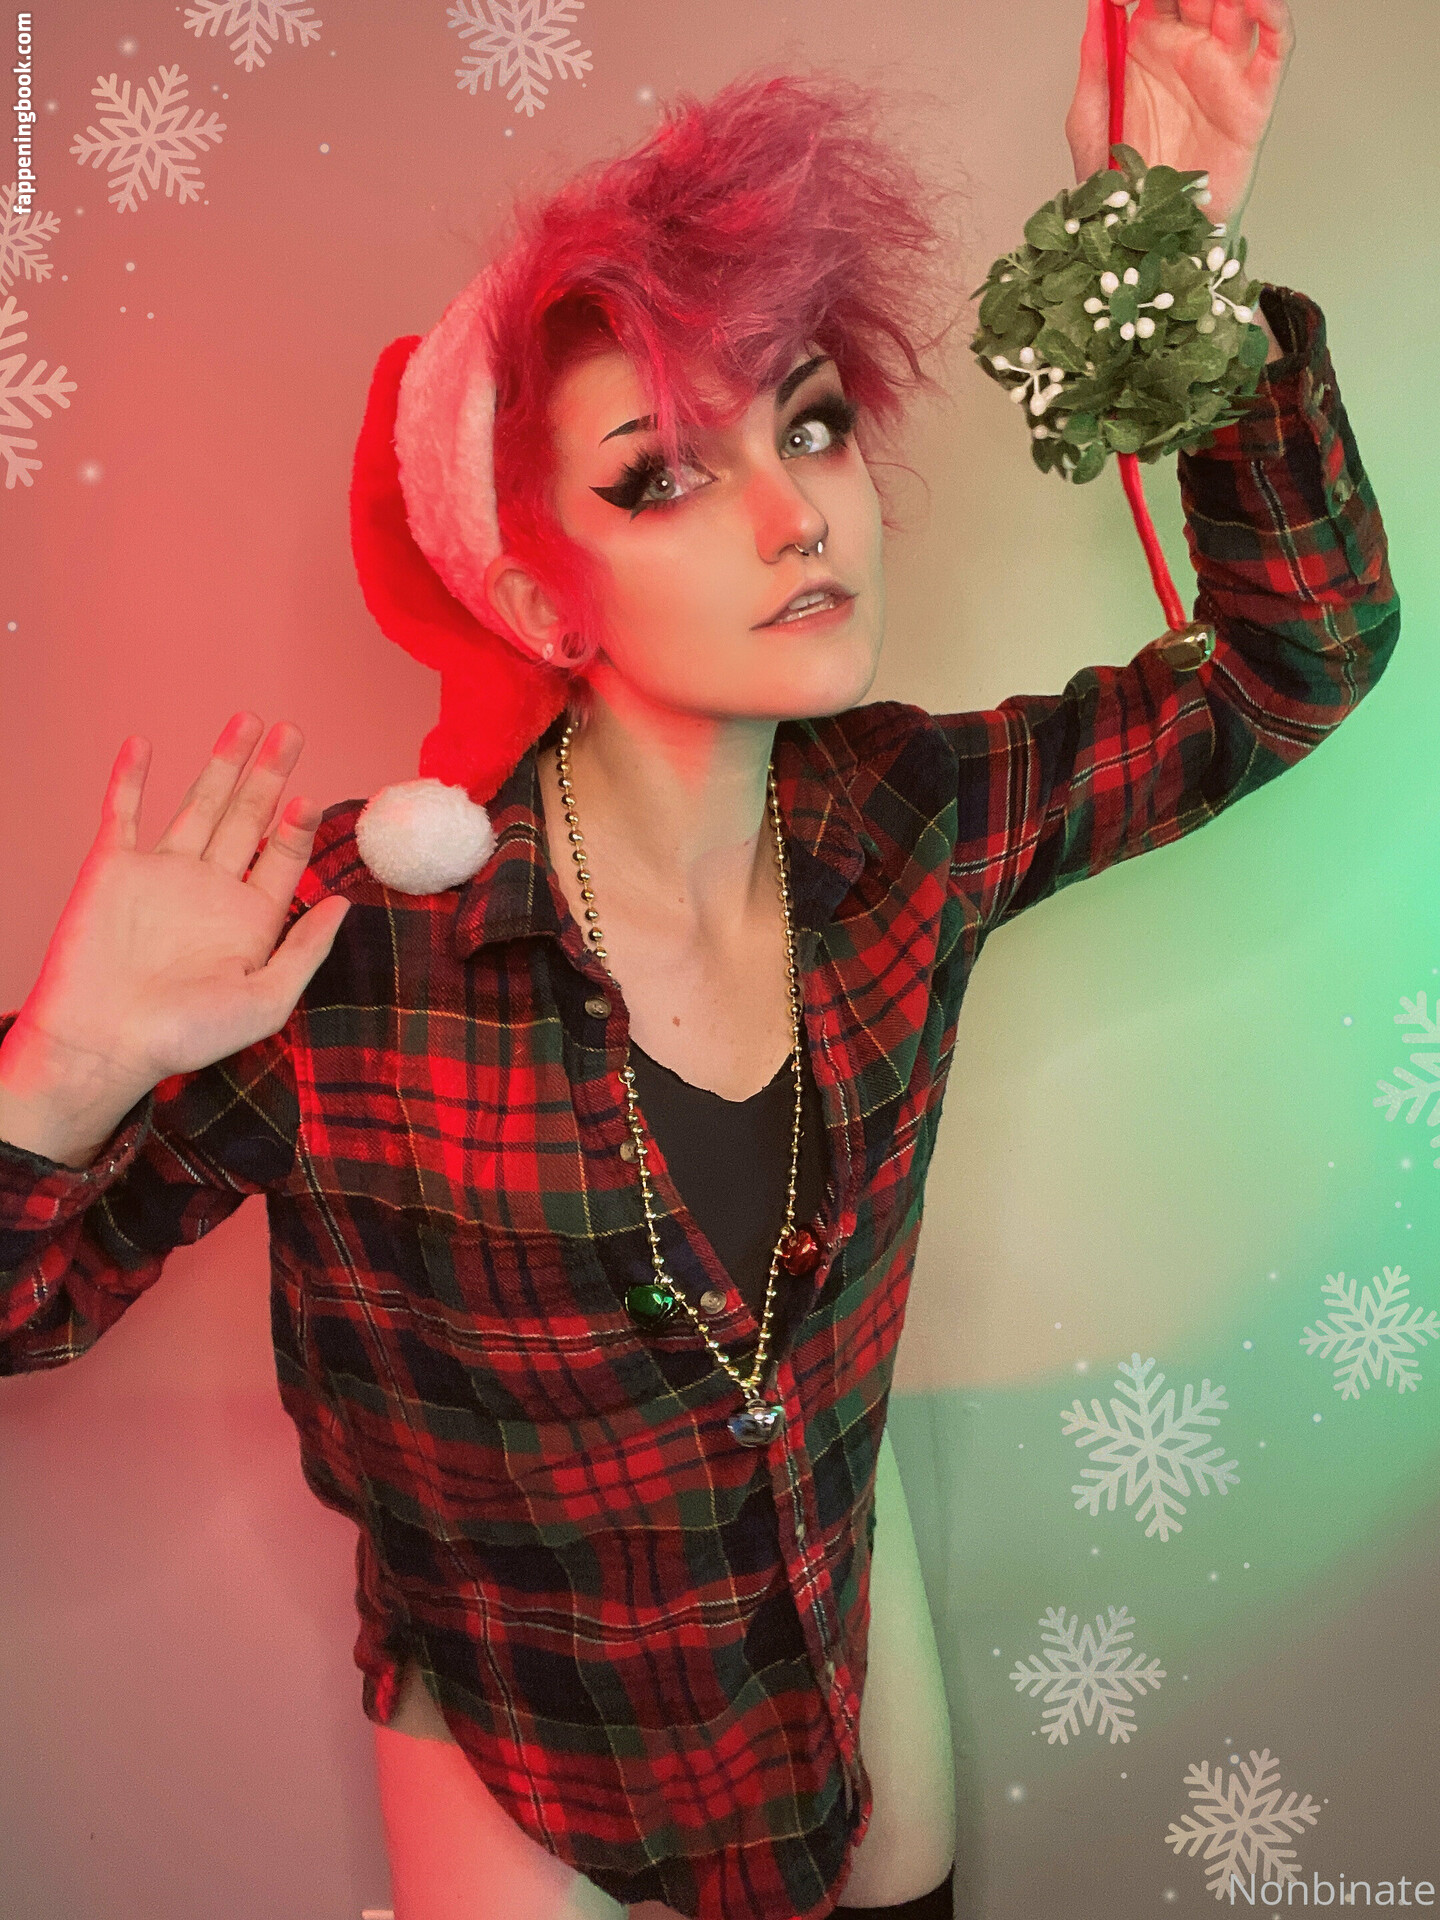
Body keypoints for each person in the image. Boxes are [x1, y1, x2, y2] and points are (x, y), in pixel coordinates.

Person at [0, 2, 1398, 1917]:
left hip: (850, 1697)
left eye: (809, 423)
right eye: (660, 473)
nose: (794, 509)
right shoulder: (355, 946)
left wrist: (1173, 263)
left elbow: (1291, 661)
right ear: (532, 589)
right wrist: (56, 1079)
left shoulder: (909, 822)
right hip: (523, 1774)